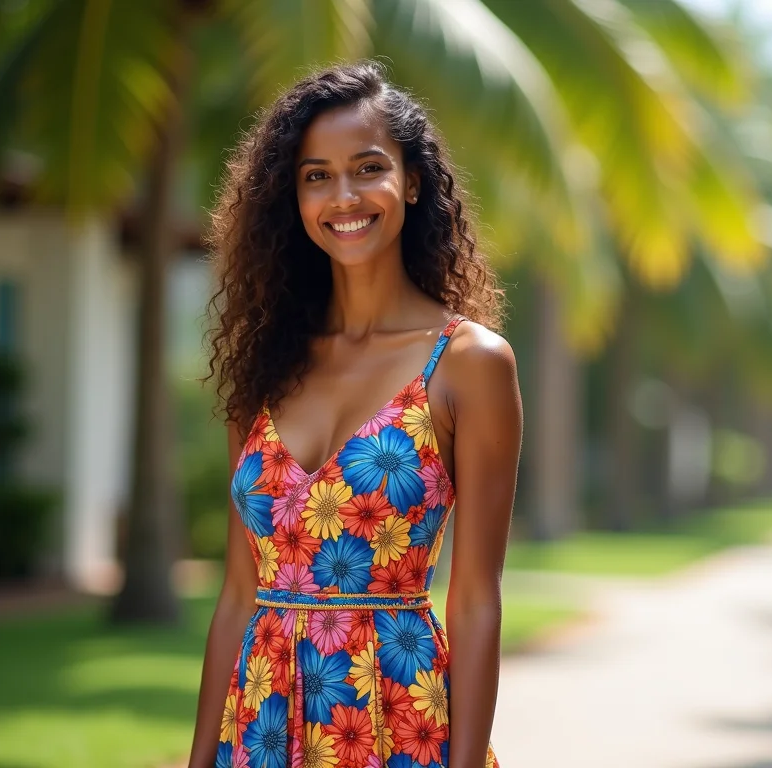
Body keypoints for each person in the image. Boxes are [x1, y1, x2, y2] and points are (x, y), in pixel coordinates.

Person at [187, 60, 522, 768]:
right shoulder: (262, 369)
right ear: (294, 196)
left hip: (398, 724)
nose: (344, 196)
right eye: (316, 176)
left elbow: (475, 600)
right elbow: (238, 596)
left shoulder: (469, 362)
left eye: (368, 167)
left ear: (413, 180)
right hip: (261, 733)